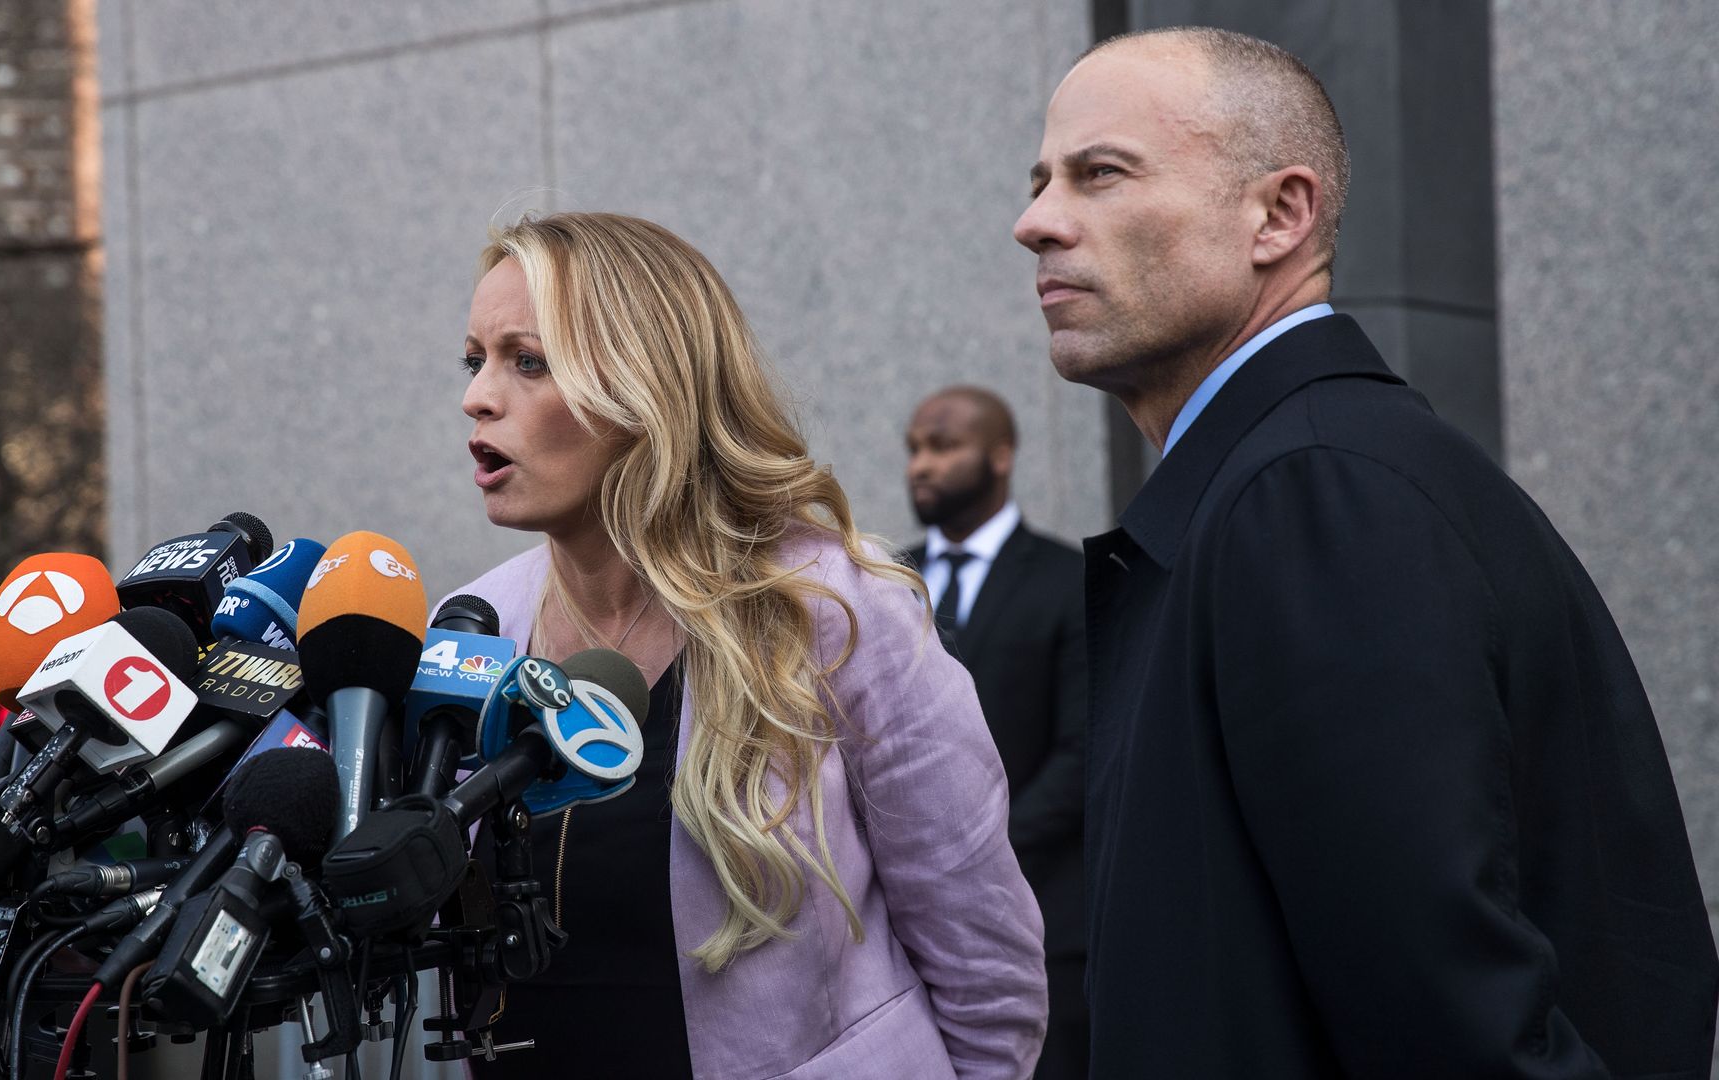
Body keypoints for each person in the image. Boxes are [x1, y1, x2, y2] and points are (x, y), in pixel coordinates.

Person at [1013, 25, 1717, 1079]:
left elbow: (1444, 1017)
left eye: (1100, 174)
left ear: (1279, 214)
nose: (1035, 224)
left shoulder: (1313, 496)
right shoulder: (1302, 480)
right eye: (1038, 181)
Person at [450, 211, 1046, 1079]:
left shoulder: (832, 606)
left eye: (527, 360)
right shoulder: (471, 626)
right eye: (475, 360)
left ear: (645, 386)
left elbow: (987, 972)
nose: (478, 395)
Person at [901, 387, 1088, 1077]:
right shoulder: (886, 583)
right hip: (908, 931)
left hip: (1045, 916)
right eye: (915, 448)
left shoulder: (1069, 579)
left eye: (943, 446)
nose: (921, 465)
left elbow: (1084, 752)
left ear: (1000, 454)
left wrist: (971, 853)